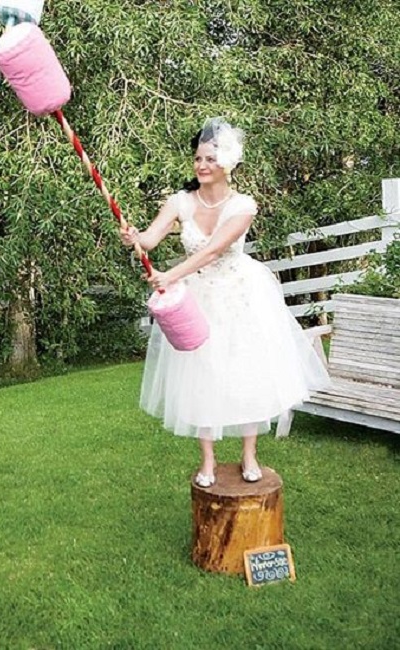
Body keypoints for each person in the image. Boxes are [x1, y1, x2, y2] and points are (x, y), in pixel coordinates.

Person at [121, 118, 329, 488]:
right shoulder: (180, 201)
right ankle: (208, 461)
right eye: (198, 159)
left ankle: (249, 454)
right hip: (197, 300)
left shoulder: (244, 206)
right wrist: (134, 237)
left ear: (228, 164)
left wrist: (171, 276)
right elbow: (150, 241)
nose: (201, 166)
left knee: (245, 371)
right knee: (200, 375)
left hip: (240, 296)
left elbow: (215, 250)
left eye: (210, 160)